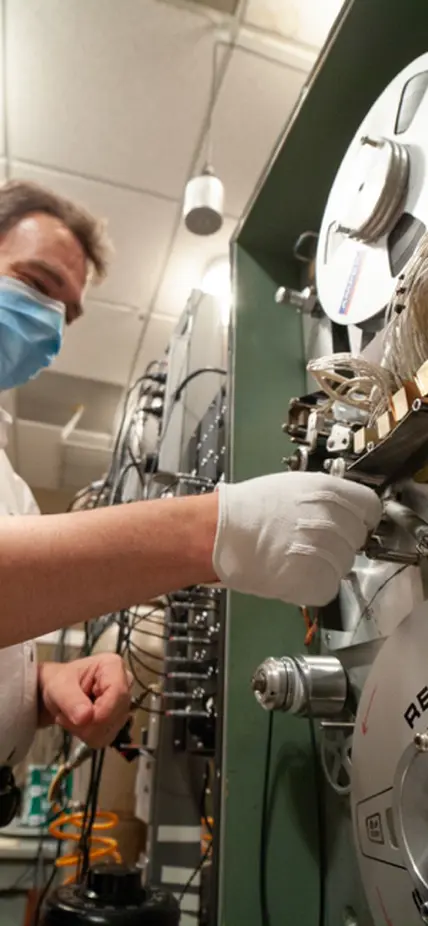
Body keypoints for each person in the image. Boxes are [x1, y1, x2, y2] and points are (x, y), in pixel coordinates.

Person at [0, 181, 382, 768]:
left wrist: (41, 683)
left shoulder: (11, 484)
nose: (51, 321)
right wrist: (216, 530)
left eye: (67, 312)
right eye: (36, 284)